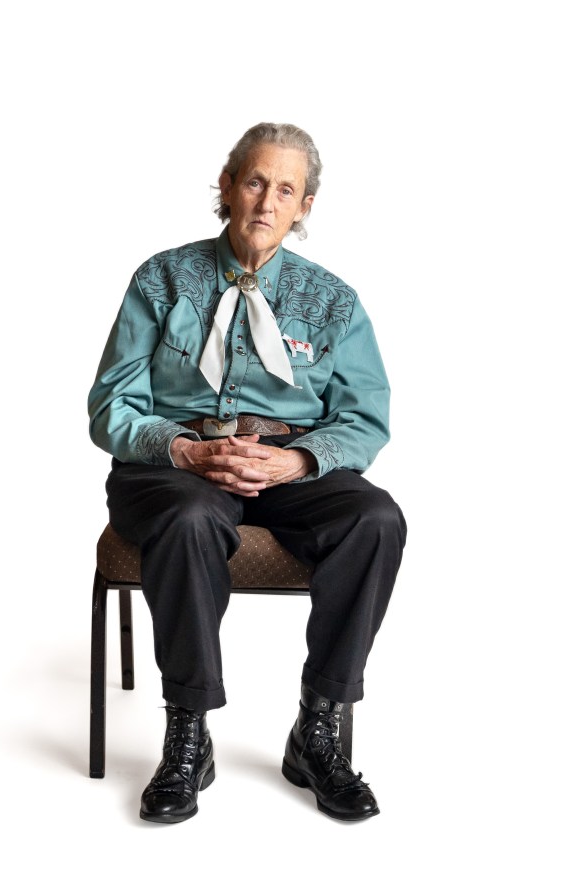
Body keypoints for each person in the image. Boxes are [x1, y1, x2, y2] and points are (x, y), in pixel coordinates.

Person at [87, 122, 406, 824]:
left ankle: (317, 727)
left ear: (305, 207)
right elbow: (110, 405)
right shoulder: (162, 278)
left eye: (285, 189)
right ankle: (188, 732)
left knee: (375, 518)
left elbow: (365, 416)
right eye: (255, 180)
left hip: (289, 463)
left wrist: (298, 459)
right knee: (191, 514)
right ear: (227, 185)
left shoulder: (336, 302)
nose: (267, 200)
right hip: (174, 463)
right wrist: (187, 450)